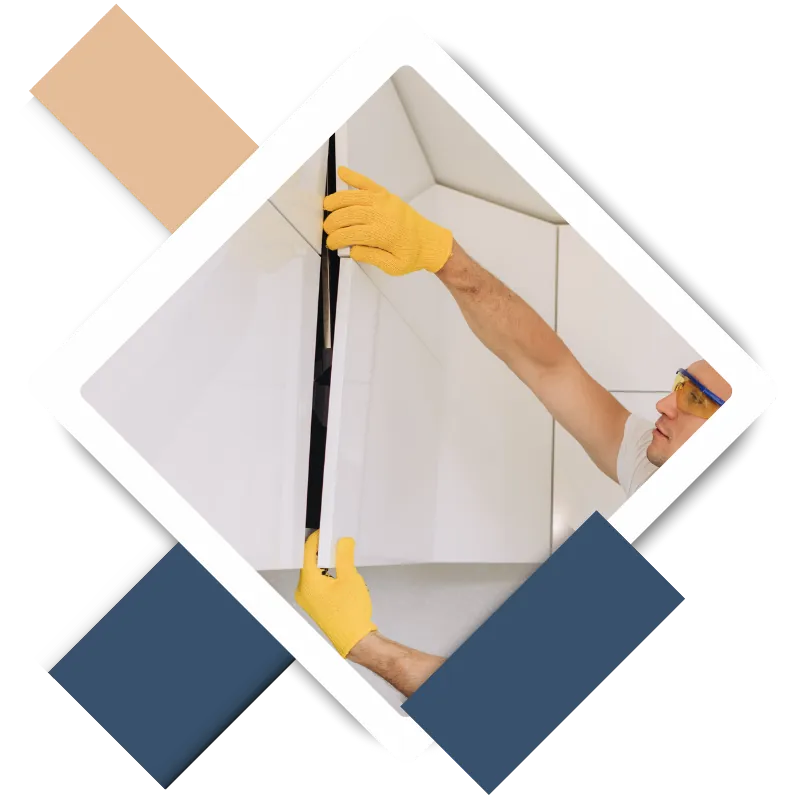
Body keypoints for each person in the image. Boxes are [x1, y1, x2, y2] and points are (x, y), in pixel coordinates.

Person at [294, 165, 732, 698]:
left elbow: (511, 700)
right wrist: (442, 257)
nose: (664, 403)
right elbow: (552, 369)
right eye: (679, 384)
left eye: (694, 399)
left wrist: (360, 643)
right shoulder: (654, 463)